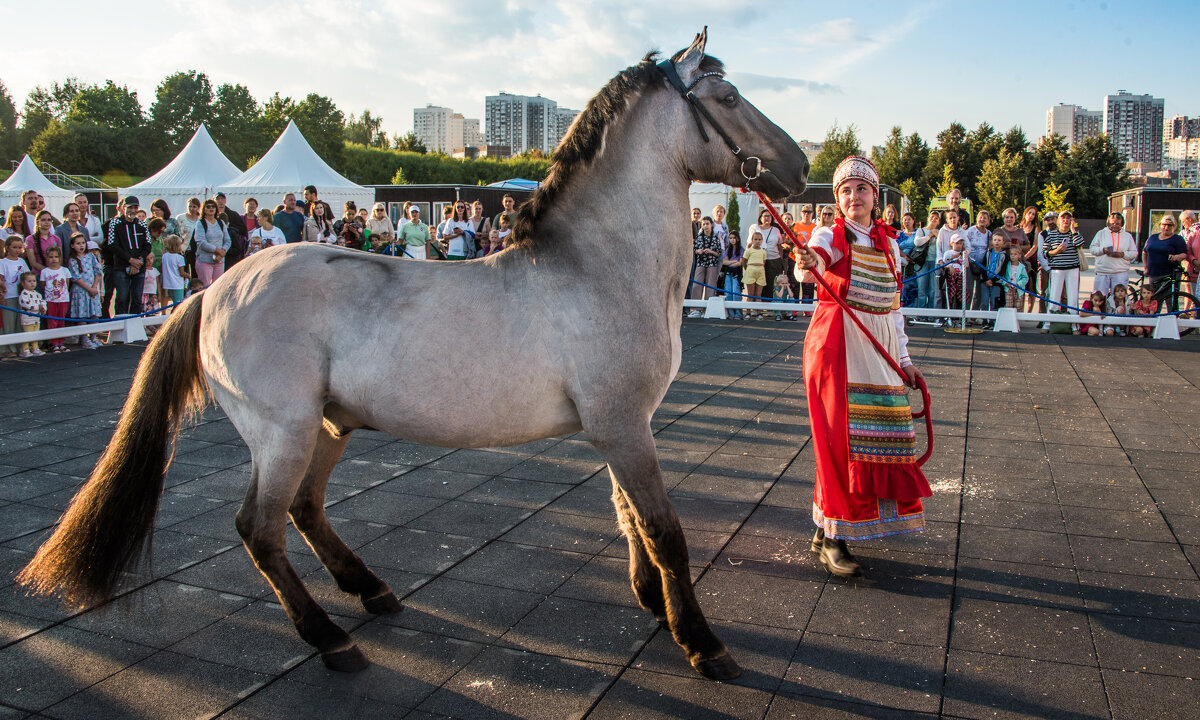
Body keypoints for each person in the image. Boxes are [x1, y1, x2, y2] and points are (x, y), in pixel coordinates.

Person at [794, 156, 928, 578]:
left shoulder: (890, 245)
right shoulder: (830, 234)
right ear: (837, 198)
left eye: (862, 189)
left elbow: (894, 310)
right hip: (837, 351)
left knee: (878, 438)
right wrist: (808, 262)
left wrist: (904, 359)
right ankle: (834, 537)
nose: (854, 197)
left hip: (880, 351)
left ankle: (826, 528)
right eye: (846, 190)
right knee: (840, 444)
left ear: (875, 196)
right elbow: (811, 264)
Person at [1041, 210, 1086, 328]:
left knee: (1072, 297)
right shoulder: (1051, 234)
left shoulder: (1074, 233)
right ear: (1059, 220)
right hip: (1057, 269)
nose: (1065, 220)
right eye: (1063, 218)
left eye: (1068, 218)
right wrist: (1057, 251)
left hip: (1072, 268)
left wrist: (1074, 231)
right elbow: (1045, 253)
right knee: (1054, 296)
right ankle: (1048, 324)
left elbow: (1080, 244)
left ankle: (1074, 325)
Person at [108, 197, 152, 316]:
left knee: (137, 299)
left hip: (139, 266)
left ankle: (135, 327)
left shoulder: (142, 224)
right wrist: (130, 260)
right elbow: (112, 244)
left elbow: (147, 245)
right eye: (130, 207)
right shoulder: (115, 223)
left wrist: (139, 260)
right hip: (121, 267)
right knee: (122, 298)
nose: (132, 210)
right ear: (123, 208)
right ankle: (120, 327)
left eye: (135, 208)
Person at [1142, 214, 1188, 309]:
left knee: (1169, 300)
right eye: (1164, 224)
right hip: (1153, 273)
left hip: (1169, 274)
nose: (1166, 227)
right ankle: (1154, 320)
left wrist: (1176, 257)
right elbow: (1145, 252)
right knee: (1154, 300)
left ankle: (1172, 319)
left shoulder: (1177, 239)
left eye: (1170, 225)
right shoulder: (1153, 237)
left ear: (1174, 226)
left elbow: (1184, 254)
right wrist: (1146, 267)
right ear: (1160, 225)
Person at [67, 233, 102, 349]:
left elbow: (97, 271)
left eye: (83, 243)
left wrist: (94, 287)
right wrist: (88, 288)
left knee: (94, 314)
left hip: (93, 290)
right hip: (81, 291)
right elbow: (76, 277)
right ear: (72, 245)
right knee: (82, 315)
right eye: (78, 243)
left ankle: (93, 336)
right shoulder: (72, 260)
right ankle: (84, 338)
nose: (81, 246)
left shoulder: (90, 256)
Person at [1088, 212, 1137, 296]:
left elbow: (1134, 253)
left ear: (1122, 224)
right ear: (1108, 223)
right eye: (1112, 223)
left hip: (1120, 272)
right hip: (1102, 272)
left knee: (1119, 298)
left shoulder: (1127, 236)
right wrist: (1102, 250)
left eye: (1117, 224)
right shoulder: (1101, 233)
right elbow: (1092, 249)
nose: (1114, 225)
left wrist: (1123, 254)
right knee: (1100, 298)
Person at [1, 236, 30, 358]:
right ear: (7, 248)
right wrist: (2, 296)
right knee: (9, 323)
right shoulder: (2, 262)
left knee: (20, 322)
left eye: (19, 247)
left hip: (21, 296)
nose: (17, 250)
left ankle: (20, 347)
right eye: (14, 247)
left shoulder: (22, 262)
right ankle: (8, 348)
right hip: (9, 296)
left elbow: (27, 276)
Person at [38, 246, 71, 353]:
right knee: (52, 321)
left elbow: (67, 284)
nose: (54, 259)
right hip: (50, 300)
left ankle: (60, 342)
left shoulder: (65, 270)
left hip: (63, 300)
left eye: (56, 257)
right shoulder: (44, 272)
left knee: (61, 320)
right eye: (51, 257)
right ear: (47, 258)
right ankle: (53, 343)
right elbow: (43, 285)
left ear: (60, 258)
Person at [688, 216, 722, 316]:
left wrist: (711, 252)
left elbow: (719, 253)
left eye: (707, 224)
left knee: (710, 286)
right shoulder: (699, 237)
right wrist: (698, 251)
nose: (705, 226)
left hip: (712, 264)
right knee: (696, 285)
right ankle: (696, 309)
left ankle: (708, 308)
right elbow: (694, 250)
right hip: (701, 263)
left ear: (711, 224)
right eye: (703, 224)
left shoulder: (716, 238)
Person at [193, 199, 231, 287]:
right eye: (208, 207)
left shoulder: (220, 223)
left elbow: (227, 240)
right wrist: (217, 250)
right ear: (204, 209)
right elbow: (201, 242)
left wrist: (223, 252)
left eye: (213, 206)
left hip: (219, 260)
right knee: (205, 287)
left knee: (218, 286)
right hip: (205, 260)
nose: (211, 208)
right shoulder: (200, 223)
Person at [748, 208, 784, 295]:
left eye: (769, 216)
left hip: (773, 259)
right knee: (759, 283)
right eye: (765, 216)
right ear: (760, 218)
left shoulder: (776, 230)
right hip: (758, 260)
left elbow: (779, 246)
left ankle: (771, 304)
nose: (767, 218)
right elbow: (749, 244)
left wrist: (781, 259)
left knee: (773, 283)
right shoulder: (755, 228)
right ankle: (758, 304)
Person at [911, 210, 941, 311]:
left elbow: (942, 245)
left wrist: (937, 235)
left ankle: (932, 313)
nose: (933, 219)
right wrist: (930, 236)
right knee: (922, 289)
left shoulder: (940, 232)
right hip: (922, 262)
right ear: (928, 218)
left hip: (934, 262)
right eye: (932, 217)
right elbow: (917, 242)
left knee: (933, 290)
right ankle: (921, 313)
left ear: (938, 222)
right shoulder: (921, 230)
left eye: (936, 218)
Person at [965, 210, 992, 312]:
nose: (982, 219)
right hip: (970, 263)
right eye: (980, 217)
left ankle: (975, 314)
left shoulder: (989, 233)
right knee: (969, 289)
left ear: (988, 220)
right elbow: (964, 245)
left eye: (985, 218)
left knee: (979, 291)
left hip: (983, 265)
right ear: (977, 219)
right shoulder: (970, 231)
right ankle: (966, 313)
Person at [213, 193, 247, 267]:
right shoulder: (211, 215)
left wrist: (229, 228)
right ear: (214, 201)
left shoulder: (233, 214)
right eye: (218, 199)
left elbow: (243, 230)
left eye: (222, 199)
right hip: (215, 253)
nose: (220, 201)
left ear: (225, 200)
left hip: (231, 252)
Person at [17, 271, 45, 357]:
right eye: (29, 281)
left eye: (34, 281)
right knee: (27, 334)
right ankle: (25, 349)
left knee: (36, 333)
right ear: (23, 283)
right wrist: (38, 307)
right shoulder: (24, 294)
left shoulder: (37, 294)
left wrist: (43, 308)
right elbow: (26, 304)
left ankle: (35, 348)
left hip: (36, 318)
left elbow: (42, 302)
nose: (32, 283)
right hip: (27, 318)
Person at [979, 232, 1009, 313]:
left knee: (994, 303)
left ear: (1003, 242)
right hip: (985, 281)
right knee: (984, 302)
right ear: (992, 241)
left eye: (999, 240)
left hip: (996, 282)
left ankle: (992, 322)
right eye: (995, 240)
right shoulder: (988, 253)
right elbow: (983, 266)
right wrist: (986, 279)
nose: (997, 242)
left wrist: (992, 280)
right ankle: (984, 321)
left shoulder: (1005, 255)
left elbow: (1002, 271)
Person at [25, 210, 62, 275]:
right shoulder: (30, 239)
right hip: (38, 275)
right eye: (43, 220)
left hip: (54, 274)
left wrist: (54, 271)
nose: (47, 222)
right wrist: (47, 271)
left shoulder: (56, 239)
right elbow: (33, 262)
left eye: (49, 220)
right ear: (37, 222)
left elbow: (60, 258)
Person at [741, 231, 767, 319]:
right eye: (755, 239)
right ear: (752, 240)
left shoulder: (763, 251)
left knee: (758, 294)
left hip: (760, 271)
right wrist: (748, 269)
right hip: (751, 270)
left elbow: (764, 262)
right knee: (750, 294)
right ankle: (748, 312)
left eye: (759, 239)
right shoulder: (748, 251)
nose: (757, 241)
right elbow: (744, 261)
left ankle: (758, 312)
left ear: (762, 241)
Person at [160, 234, 189, 309]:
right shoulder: (180, 258)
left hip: (166, 284)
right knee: (178, 305)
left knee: (166, 301)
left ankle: (163, 314)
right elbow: (181, 273)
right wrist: (188, 276)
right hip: (177, 285)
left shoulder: (164, 256)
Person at [722, 230, 744, 319]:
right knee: (728, 293)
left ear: (737, 239)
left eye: (734, 238)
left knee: (736, 292)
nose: (732, 240)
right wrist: (734, 261)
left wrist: (730, 263)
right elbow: (724, 262)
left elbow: (740, 263)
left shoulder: (741, 250)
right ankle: (731, 313)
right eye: (730, 238)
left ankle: (738, 313)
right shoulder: (728, 249)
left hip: (737, 273)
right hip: (728, 273)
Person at [1179, 210, 1200, 297]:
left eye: (1183, 221)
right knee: (1194, 295)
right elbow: (1187, 250)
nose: (1183, 224)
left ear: (1189, 219)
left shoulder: (1192, 230)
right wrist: (1194, 260)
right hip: (1195, 268)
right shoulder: (1193, 234)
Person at [1003, 245, 1029, 311]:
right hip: (1008, 289)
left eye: (1015, 254)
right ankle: (1009, 320)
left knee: (1018, 306)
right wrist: (1005, 283)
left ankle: (1017, 320)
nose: (1013, 256)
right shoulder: (1006, 265)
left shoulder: (1022, 267)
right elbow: (1002, 276)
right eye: (1011, 254)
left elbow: (1025, 278)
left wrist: (1019, 284)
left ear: (1019, 255)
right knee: (1009, 306)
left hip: (1018, 290)